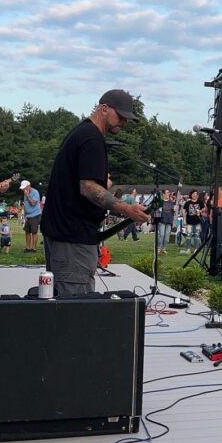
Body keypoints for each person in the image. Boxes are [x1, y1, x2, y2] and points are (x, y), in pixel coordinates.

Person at [41, 92, 152, 297]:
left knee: (62, 300)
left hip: (62, 233)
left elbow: (80, 184)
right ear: (104, 109)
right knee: (76, 304)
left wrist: (104, 185)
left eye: (127, 118)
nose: (124, 122)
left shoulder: (81, 132)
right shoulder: (92, 138)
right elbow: (88, 188)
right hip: (73, 237)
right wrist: (127, 209)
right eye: (120, 116)